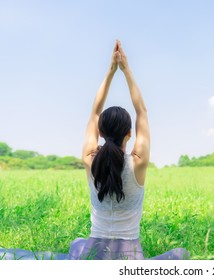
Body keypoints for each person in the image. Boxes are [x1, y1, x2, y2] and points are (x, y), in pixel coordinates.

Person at [0, 40, 189, 260]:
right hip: (130, 259)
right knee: (181, 253)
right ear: (130, 133)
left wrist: (110, 71)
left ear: (100, 133)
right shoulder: (138, 162)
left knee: (78, 243)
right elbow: (142, 111)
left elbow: (94, 112)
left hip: (93, 254)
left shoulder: (91, 159)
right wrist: (126, 69)